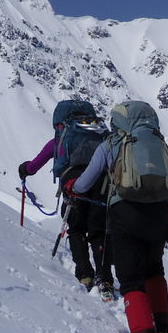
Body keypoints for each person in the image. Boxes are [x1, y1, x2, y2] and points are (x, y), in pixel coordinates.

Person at [67, 100, 168, 333]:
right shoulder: (158, 143)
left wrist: (72, 186)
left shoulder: (112, 143)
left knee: (130, 282)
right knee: (155, 271)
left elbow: (85, 182)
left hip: (124, 214)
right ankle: (164, 332)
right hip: (158, 215)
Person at [18, 99, 114, 296]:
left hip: (73, 189)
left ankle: (85, 275)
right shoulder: (102, 137)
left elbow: (34, 166)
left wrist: (24, 169)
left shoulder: (60, 140)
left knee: (76, 230)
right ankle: (105, 280)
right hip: (102, 187)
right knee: (99, 232)